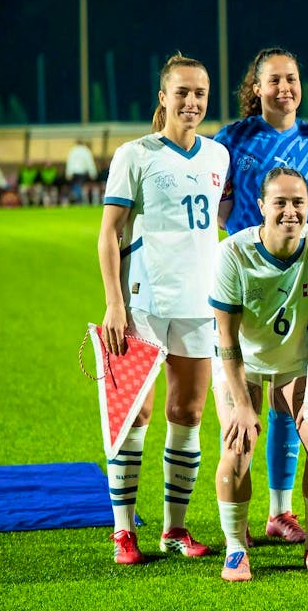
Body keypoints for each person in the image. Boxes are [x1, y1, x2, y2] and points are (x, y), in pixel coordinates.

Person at [97, 54, 229, 565]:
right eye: (182, 92)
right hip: (143, 301)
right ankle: (123, 530)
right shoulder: (136, 154)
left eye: (199, 92)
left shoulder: (218, 156)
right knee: (136, 414)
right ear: (163, 97)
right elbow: (109, 232)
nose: (191, 101)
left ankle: (174, 528)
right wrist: (114, 302)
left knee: (188, 413)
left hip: (201, 303)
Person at [213, 47, 308, 544]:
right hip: (247, 282)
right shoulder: (234, 138)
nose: (284, 88)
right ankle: (238, 525)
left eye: (291, 78)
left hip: (299, 282)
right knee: (247, 413)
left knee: (293, 405)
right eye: (273, 80)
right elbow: (217, 204)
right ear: (257, 87)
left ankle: (282, 510)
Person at [210, 167, 308, 581]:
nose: (290, 211)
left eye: (298, 202)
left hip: (294, 363)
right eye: (280, 202)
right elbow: (226, 338)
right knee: (237, 449)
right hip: (241, 362)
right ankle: (235, 549)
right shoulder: (232, 253)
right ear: (261, 207)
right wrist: (244, 406)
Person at [66, 140, 98, 204]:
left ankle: (77, 199)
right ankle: (82, 200)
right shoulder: (86, 150)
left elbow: (70, 162)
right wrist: (93, 173)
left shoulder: (73, 150)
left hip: (74, 172)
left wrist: (68, 173)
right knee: (83, 186)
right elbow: (89, 162)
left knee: (77, 186)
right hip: (83, 172)